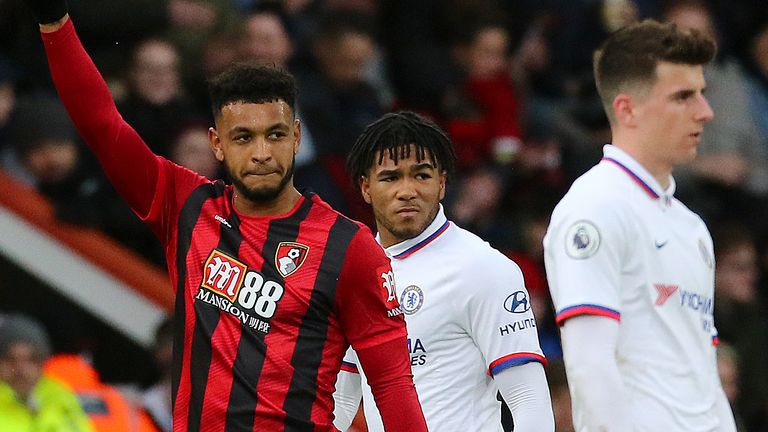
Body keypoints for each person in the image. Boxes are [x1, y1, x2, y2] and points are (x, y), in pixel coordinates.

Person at [24, 2, 427, 431]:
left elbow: (392, 383)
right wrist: (55, 22)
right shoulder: (186, 205)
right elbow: (102, 124)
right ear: (217, 144)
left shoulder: (349, 246)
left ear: (296, 137)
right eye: (243, 137)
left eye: (274, 135)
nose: (260, 153)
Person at [542, 19, 737, 431]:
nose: (705, 111)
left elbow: (703, 373)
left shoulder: (691, 227)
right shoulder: (595, 207)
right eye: (684, 96)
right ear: (627, 109)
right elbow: (589, 366)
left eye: (702, 94)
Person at [333, 111, 554, 431]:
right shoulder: (353, 276)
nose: (407, 190)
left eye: (421, 175)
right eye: (391, 177)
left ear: (442, 182)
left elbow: (528, 399)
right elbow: (341, 401)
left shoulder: (484, 268)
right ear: (366, 187)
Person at [0, 313, 93, 432]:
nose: (21, 369)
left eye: (31, 359)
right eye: (10, 359)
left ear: (42, 363)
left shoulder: (61, 399)